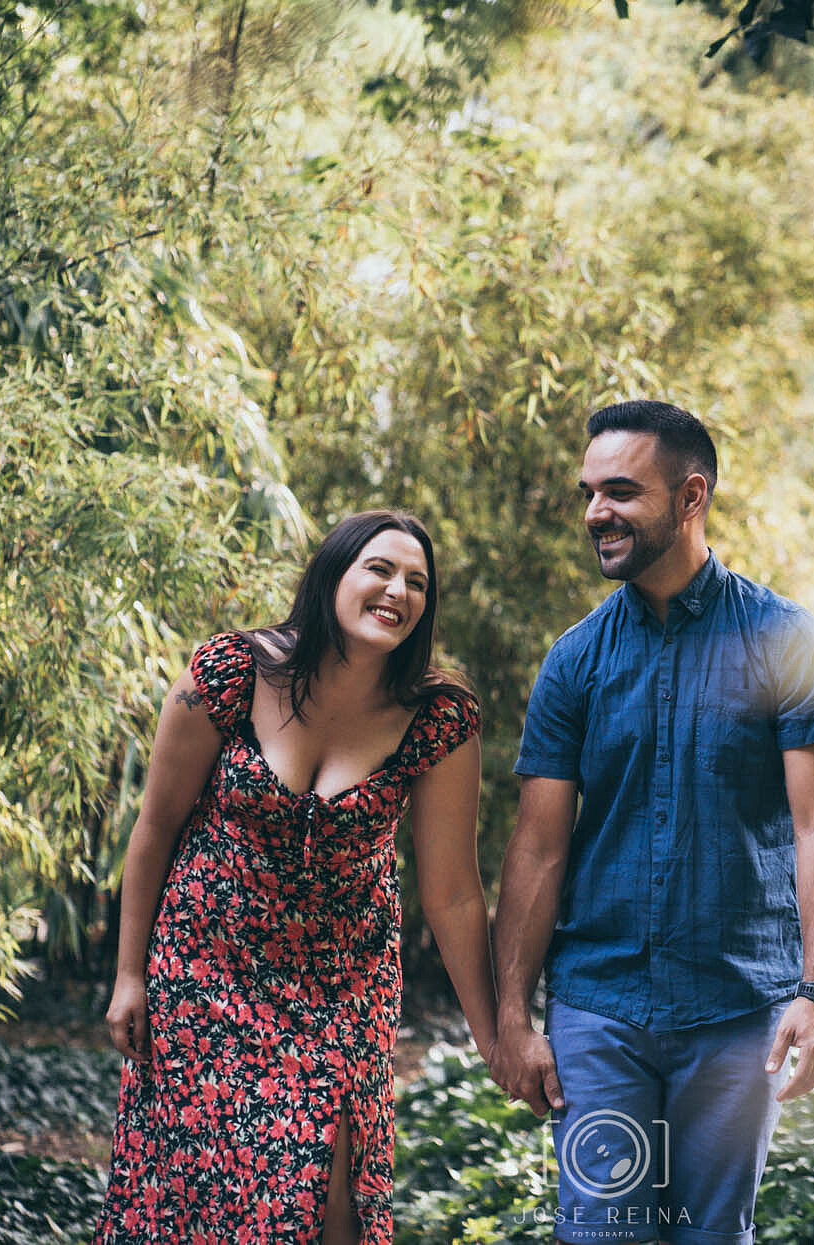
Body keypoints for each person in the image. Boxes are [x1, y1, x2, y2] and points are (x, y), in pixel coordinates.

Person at [491, 401, 814, 1245]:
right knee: (601, 1233)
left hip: (738, 1012)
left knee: (709, 1235)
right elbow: (539, 847)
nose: (595, 513)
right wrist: (514, 1015)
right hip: (600, 1011)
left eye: (620, 491)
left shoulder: (787, 640)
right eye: (588, 492)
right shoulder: (575, 659)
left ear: (691, 496)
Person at [94, 510, 497, 1245]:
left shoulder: (438, 717)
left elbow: (453, 893)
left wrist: (496, 1033)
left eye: (417, 582)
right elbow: (154, 829)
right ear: (333, 574)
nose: (398, 590)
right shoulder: (230, 671)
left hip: (342, 989)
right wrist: (130, 975)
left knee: (334, 1204)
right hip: (205, 974)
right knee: (201, 1192)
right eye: (379, 568)